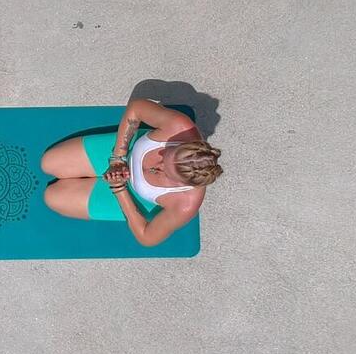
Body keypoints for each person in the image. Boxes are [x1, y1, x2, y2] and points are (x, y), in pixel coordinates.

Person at [40, 98, 222, 247]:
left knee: (52, 197)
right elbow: (137, 108)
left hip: (132, 196)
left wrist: (119, 189)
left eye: (165, 172)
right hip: (123, 153)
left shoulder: (185, 204)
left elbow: (147, 237)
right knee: (48, 163)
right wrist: (118, 157)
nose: (158, 163)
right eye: (166, 154)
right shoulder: (178, 126)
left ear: (183, 184)